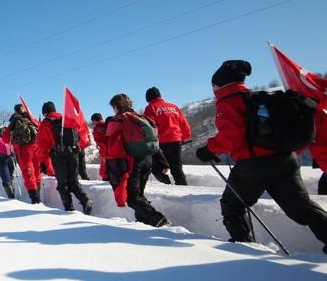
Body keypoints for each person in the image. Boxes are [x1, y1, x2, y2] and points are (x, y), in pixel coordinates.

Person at [195, 60, 327, 251]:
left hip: (253, 164)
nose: (213, 89)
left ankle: (243, 246)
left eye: (214, 85)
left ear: (220, 83)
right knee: (301, 207)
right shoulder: (257, 98)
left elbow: (231, 135)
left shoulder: (229, 100)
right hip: (285, 159)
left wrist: (208, 149)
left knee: (233, 205)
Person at [105, 93, 169, 227]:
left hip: (131, 162)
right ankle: (143, 222)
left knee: (132, 198)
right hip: (147, 160)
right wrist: (162, 162)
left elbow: (111, 146)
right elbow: (154, 142)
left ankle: (158, 219)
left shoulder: (118, 120)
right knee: (139, 194)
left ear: (116, 106)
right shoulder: (142, 118)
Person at [35, 101, 92, 213]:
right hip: (74, 154)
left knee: (62, 184)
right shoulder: (67, 118)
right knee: (74, 181)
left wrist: (43, 162)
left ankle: (69, 209)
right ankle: (86, 200)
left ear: (45, 112)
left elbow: (42, 145)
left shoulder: (46, 123)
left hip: (59, 157)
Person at [144, 86, 191, 185]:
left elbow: (148, 127)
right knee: (176, 168)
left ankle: (167, 185)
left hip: (161, 143)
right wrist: (183, 137)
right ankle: (184, 190)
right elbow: (184, 124)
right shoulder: (174, 107)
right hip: (176, 141)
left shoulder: (151, 108)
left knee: (156, 166)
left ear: (148, 99)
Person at [6, 104, 42, 203]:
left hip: (23, 151)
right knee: (37, 172)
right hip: (36, 148)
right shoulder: (31, 118)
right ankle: (38, 196)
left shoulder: (14, 120)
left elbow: (5, 138)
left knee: (28, 174)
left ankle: (35, 200)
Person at [91, 113, 109, 181]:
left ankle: (105, 178)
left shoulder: (98, 127)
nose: (93, 123)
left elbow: (99, 140)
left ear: (95, 120)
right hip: (111, 149)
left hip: (104, 150)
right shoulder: (107, 125)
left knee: (105, 167)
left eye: (93, 121)